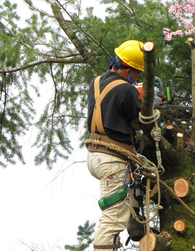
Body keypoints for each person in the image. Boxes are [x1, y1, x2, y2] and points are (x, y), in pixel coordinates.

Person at [86, 40, 145, 250]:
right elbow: (137, 124)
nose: (138, 77)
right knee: (112, 218)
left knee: (128, 195)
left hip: (96, 156)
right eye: (137, 72)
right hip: (112, 159)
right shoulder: (126, 89)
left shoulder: (96, 82)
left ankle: (134, 220)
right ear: (127, 70)